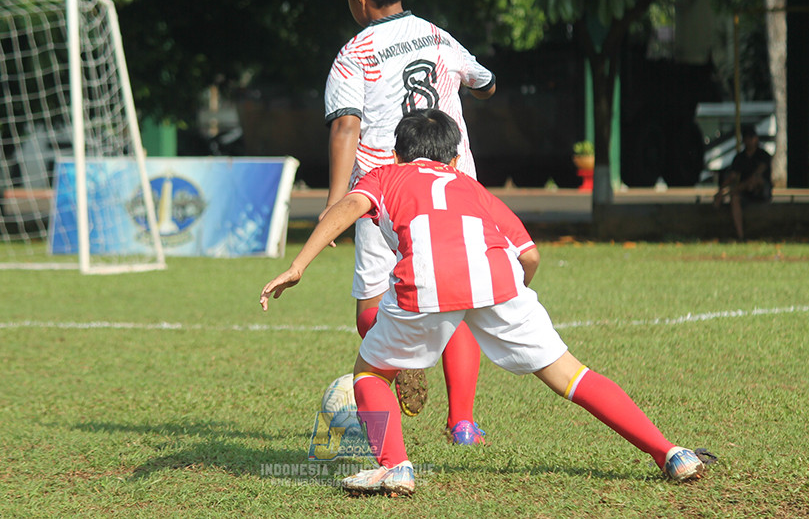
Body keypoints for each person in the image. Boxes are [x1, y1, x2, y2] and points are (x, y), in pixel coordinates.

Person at [261, 110, 707, 496]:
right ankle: (671, 452)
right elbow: (530, 255)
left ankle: (394, 465)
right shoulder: (472, 187)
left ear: (396, 155)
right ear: (455, 159)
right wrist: (509, 299)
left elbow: (348, 206)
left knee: (370, 373)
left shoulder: (385, 175)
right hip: (499, 282)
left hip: (424, 283)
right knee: (572, 374)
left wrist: (299, 265)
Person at [323, 0, 497, 444]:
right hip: (454, 191)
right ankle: (462, 422)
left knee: (370, 310)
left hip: (387, 195)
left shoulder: (353, 54)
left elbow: (345, 127)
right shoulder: (437, 37)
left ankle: (400, 362)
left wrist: (336, 204)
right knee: (456, 300)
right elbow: (485, 81)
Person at [713, 125, 772, 241]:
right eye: (747, 138)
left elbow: (757, 175)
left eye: (751, 138)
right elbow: (732, 176)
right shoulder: (740, 157)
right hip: (745, 190)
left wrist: (736, 189)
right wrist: (720, 191)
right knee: (735, 199)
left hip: (761, 189)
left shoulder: (763, 155)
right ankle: (740, 236)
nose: (749, 141)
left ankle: (732, 192)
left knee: (755, 181)